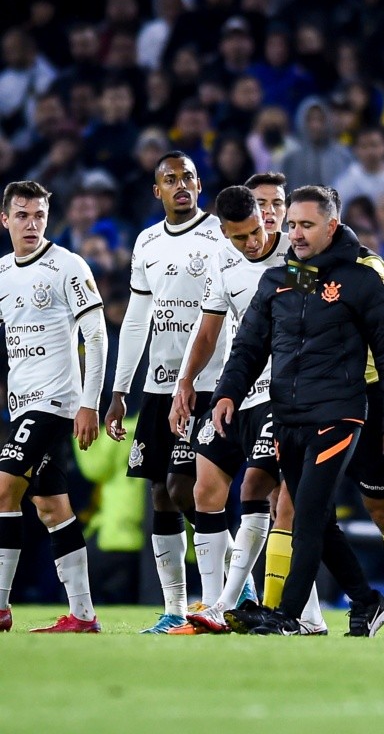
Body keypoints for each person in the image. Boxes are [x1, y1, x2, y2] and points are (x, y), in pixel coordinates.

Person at [210, 185, 384, 636]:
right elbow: (248, 346)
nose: (295, 234)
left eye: (306, 225)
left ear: (331, 226)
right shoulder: (279, 279)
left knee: (303, 512)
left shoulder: (360, 279)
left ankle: (286, 613)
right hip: (288, 417)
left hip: (339, 414)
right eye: (291, 225)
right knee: (316, 517)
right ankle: (368, 599)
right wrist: (227, 393)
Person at [104, 151, 230, 634]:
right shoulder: (147, 242)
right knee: (159, 491)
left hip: (206, 382)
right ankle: (175, 608)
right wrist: (120, 390)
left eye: (189, 178)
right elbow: (137, 320)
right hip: (158, 385)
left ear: (200, 186)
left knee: (183, 487)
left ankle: (231, 585)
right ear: (156, 190)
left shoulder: (219, 234)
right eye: (170, 179)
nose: (181, 185)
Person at [163, 181, 290, 635]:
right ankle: (212, 605)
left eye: (255, 231)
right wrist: (186, 382)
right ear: (224, 233)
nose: (252, 242)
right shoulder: (224, 260)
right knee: (204, 489)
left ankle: (250, 604)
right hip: (237, 392)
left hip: (283, 394)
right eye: (240, 237)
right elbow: (210, 330)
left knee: (268, 494)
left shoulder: (295, 251)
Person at [0, 179, 107, 633]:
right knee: (51, 507)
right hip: (20, 403)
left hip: (54, 401)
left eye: (39, 215)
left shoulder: (68, 266)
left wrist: (90, 404)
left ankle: (1, 607)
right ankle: (83, 615)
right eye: (22, 215)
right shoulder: (2, 271)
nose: (31, 223)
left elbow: (96, 336)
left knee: (4, 488)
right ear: (5, 219)